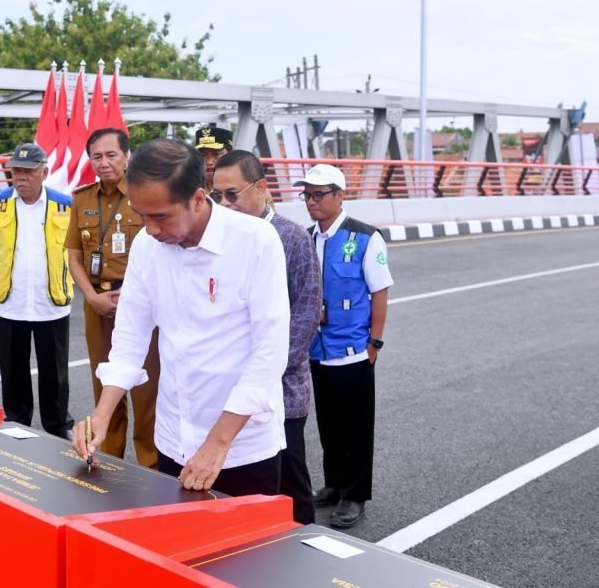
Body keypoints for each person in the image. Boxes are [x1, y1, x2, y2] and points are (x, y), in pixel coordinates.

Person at [74, 139, 290, 497]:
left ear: (198, 199)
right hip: (174, 438)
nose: (151, 229)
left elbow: (269, 355)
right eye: (142, 215)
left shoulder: (256, 241)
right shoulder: (147, 245)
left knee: (244, 551)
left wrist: (218, 444)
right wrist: (101, 414)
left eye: (160, 216)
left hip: (240, 447)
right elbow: (130, 337)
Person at [212, 150, 321, 523]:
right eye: (217, 196)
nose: (224, 204)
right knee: (243, 485)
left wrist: (264, 372)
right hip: (232, 388)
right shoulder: (222, 238)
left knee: (290, 481)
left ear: (260, 188)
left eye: (232, 194)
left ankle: (306, 551)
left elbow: (306, 315)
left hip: (281, 388)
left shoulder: (292, 238)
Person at [294, 163, 393, 529]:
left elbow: (379, 292)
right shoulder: (306, 237)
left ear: (340, 195)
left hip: (352, 350)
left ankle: (354, 495)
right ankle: (334, 484)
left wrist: (375, 343)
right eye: (307, 195)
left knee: (355, 427)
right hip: (316, 352)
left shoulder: (365, 237)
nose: (311, 202)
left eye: (319, 195)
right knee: (329, 426)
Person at [66, 127, 159, 468]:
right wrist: (90, 298)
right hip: (97, 304)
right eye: (96, 157)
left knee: (146, 391)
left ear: (126, 156)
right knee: (104, 384)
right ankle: (107, 460)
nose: (103, 163)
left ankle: (151, 467)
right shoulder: (83, 198)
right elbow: (74, 256)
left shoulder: (144, 194)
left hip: (139, 306)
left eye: (111, 155)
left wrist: (132, 297)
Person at [0, 143, 75, 439]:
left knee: (54, 372)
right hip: (10, 303)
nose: (21, 177)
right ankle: (17, 423)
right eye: (16, 170)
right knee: (13, 368)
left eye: (28, 171)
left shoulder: (64, 204)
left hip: (52, 303)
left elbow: (76, 250)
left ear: (44, 172)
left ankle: (58, 427)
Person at [194, 124, 234, 190]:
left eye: (216, 154)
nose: (209, 162)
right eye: (203, 155)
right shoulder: (190, 191)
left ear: (230, 154)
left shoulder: (242, 189)